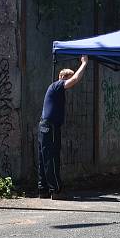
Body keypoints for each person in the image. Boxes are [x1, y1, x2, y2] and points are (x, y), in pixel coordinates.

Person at [38, 56, 88, 199]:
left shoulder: (55, 89)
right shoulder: (57, 85)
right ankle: (56, 190)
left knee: (44, 158)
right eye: (68, 78)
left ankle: (43, 189)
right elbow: (75, 79)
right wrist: (84, 63)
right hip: (50, 127)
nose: (70, 83)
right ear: (63, 77)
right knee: (52, 158)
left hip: (44, 126)